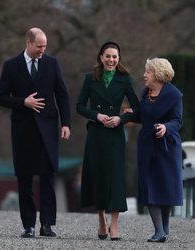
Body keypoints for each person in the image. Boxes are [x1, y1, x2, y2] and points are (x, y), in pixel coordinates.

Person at [0, 27, 71, 238]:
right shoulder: (11, 66)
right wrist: (23, 102)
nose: (42, 50)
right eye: (39, 46)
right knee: (25, 179)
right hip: (23, 130)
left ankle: (47, 224)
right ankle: (28, 225)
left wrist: (66, 124)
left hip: (48, 129)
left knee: (48, 178)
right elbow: (1, 97)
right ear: (28, 43)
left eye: (45, 46)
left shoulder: (52, 63)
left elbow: (62, 95)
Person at [76, 42, 139, 240]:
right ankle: (101, 219)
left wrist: (121, 118)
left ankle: (114, 226)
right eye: (108, 56)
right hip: (96, 134)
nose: (111, 60)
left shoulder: (124, 79)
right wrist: (96, 115)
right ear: (101, 57)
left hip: (115, 135)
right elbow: (79, 106)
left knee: (115, 178)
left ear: (118, 58)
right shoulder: (90, 78)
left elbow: (137, 108)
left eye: (115, 56)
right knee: (99, 176)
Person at [135, 58, 183, 242]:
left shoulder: (174, 95)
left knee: (166, 186)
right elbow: (142, 116)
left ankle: (164, 226)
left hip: (167, 146)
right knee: (149, 185)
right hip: (147, 144)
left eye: (148, 71)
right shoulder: (145, 92)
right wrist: (128, 114)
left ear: (158, 74)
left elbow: (177, 120)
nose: (144, 75)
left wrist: (165, 127)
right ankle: (159, 231)